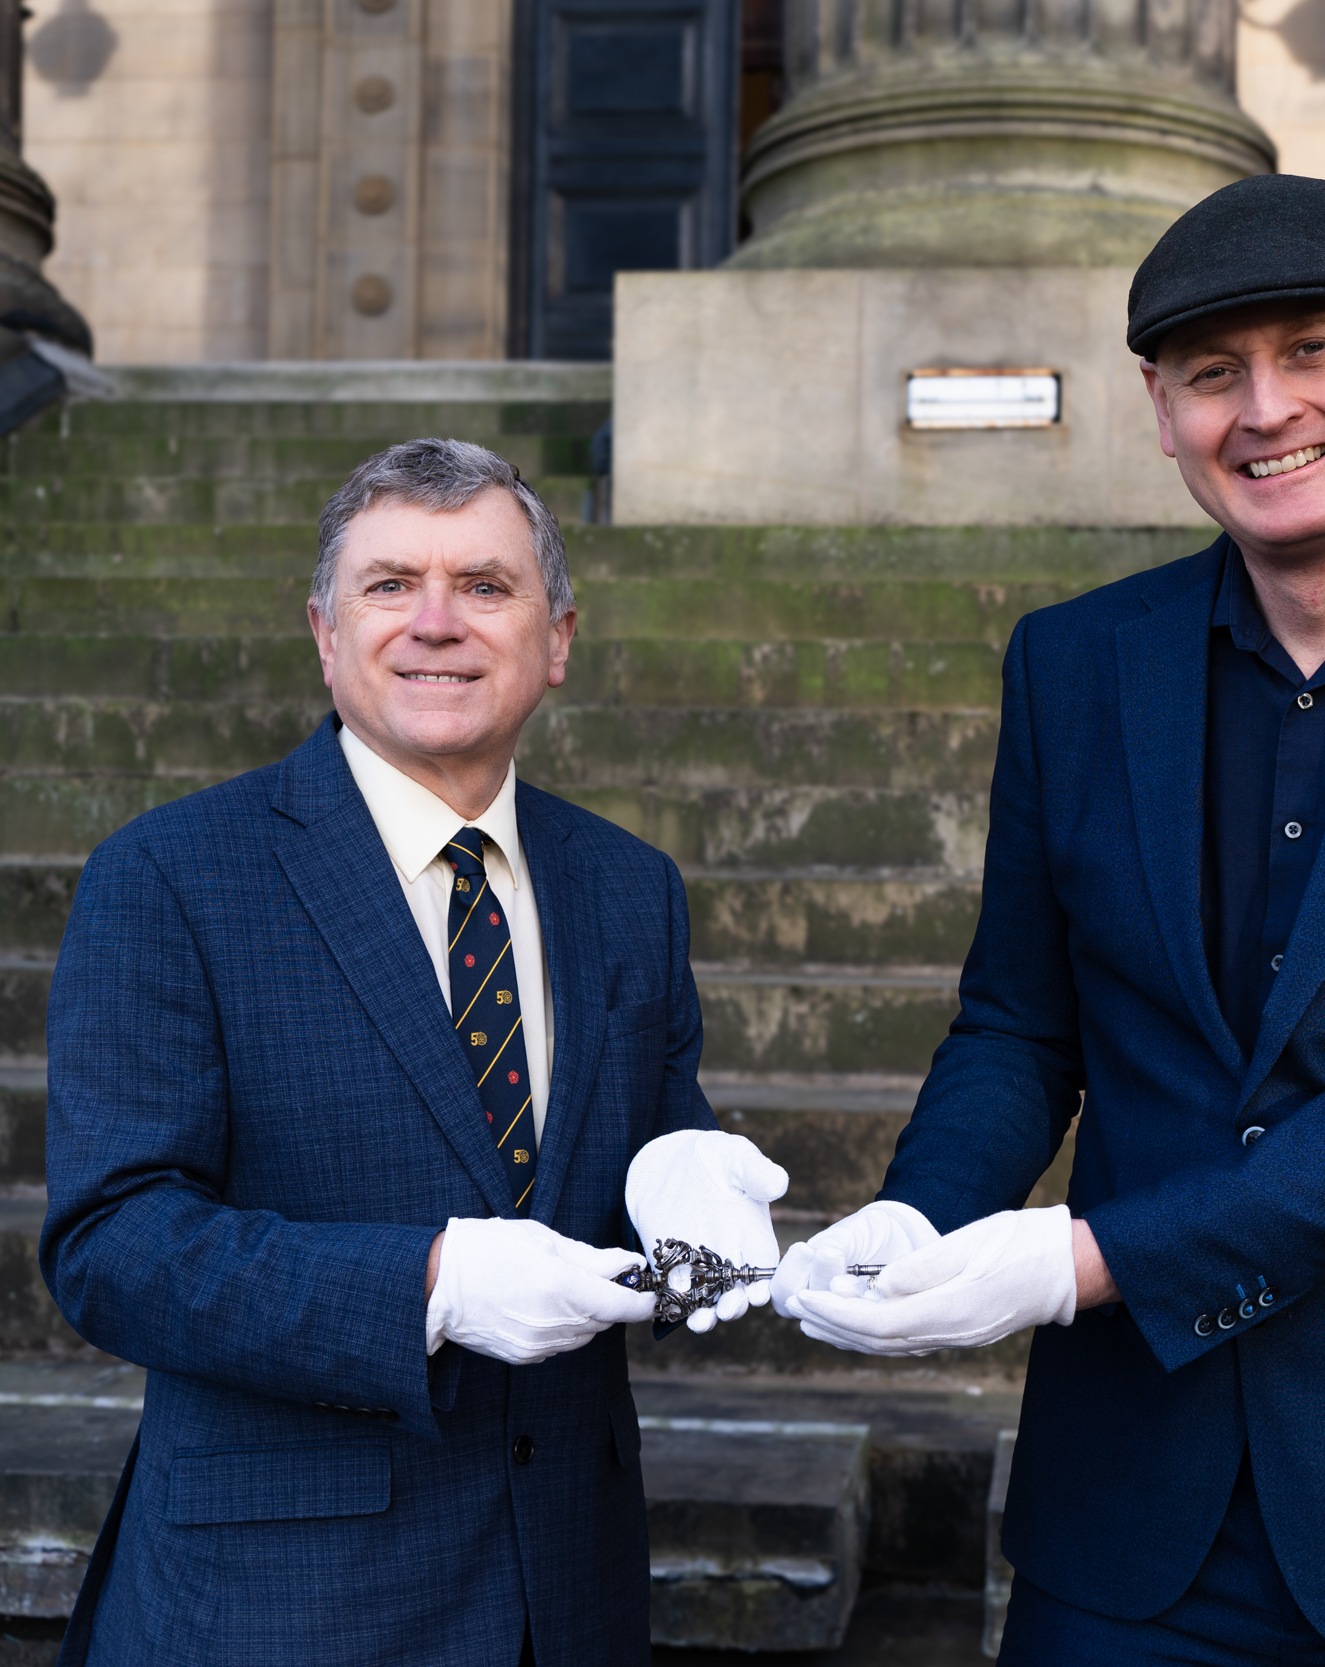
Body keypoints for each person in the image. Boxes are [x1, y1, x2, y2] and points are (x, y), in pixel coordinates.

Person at [774, 174, 1325, 1664]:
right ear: (1160, 405)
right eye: (1214, 374)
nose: (1265, 410)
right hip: (1130, 1506)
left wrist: (1082, 1257)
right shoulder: (1071, 664)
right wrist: (919, 1207)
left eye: (1311, 351)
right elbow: (1021, 1019)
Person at [40, 439, 790, 1666]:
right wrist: (430, 1283)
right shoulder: (170, 875)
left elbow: (652, 1136)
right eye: (391, 584)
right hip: (284, 1602)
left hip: (571, 1589)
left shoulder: (627, 885)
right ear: (326, 634)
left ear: (556, 638)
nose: (436, 621)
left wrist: (688, 1188)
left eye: (485, 586)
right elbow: (112, 1244)